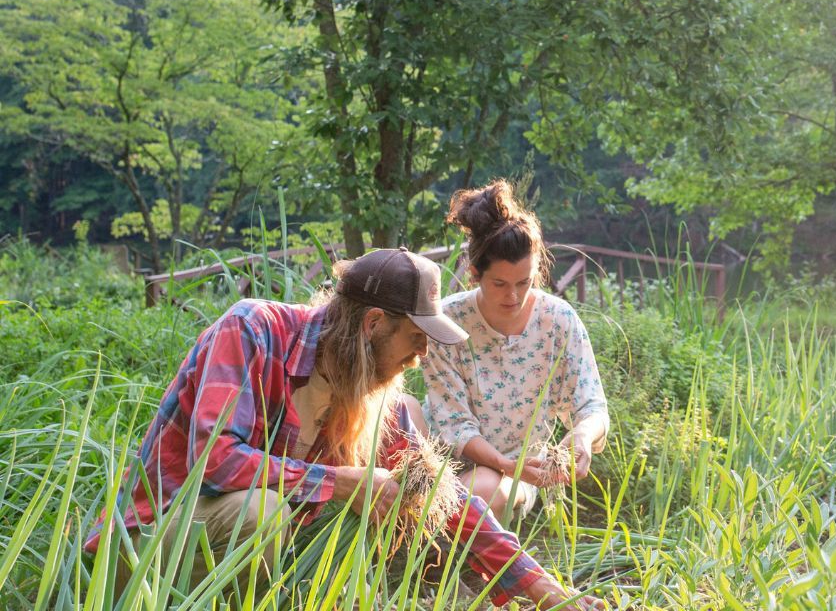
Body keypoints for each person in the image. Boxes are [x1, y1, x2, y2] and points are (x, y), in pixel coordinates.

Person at [85, 246, 603, 610]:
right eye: (416, 339)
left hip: (233, 564)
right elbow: (215, 461)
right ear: (373, 323)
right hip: (143, 551)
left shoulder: (371, 393)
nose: (421, 358)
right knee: (261, 511)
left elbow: (454, 501)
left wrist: (548, 592)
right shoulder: (252, 330)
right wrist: (342, 483)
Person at [421, 180, 610, 522]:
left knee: (485, 489)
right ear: (475, 273)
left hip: (517, 474)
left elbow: (592, 405)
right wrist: (503, 463)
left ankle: (453, 549)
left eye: (524, 283)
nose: (513, 296)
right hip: (442, 459)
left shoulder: (558, 320)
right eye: (500, 284)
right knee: (399, 408)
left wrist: (581, 436)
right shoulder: (448, 322)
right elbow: (455, 425)